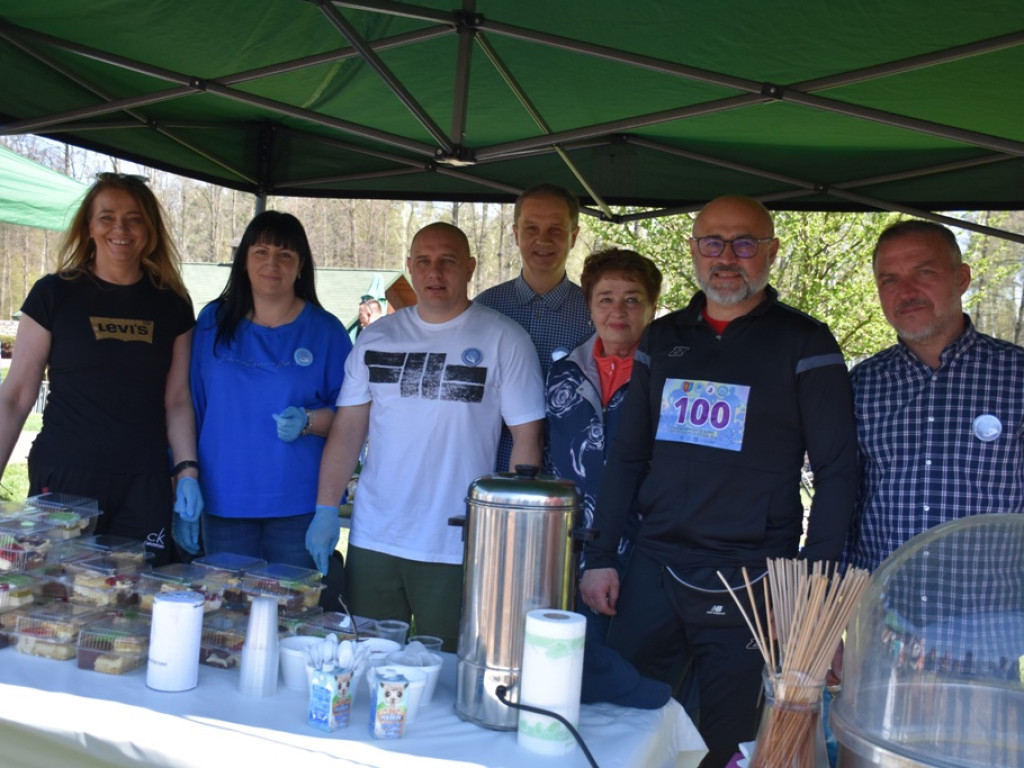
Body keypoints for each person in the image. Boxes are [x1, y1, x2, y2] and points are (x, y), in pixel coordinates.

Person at [579, 195, 859, 768]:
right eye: (713, 242)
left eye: (745, 243)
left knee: (726, 743)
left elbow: (837, 473)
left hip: (751, 580)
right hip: (654, 568)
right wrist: (601, 554)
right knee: (621, 724)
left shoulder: (806, 342)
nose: (727, 257)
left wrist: (811, 591)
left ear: (771, 253)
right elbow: (628, 456)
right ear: (693, 251)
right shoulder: (662, 339)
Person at [315, 222, 544, 651]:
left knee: (448, 673)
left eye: (448, 261)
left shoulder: (504, 338)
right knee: (369, 663)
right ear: (409, 268)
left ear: (470, 268)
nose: (434, 272)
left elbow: (527, 440)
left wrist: (508, 534)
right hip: (375, 537)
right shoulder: (377, 336)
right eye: (423, 261)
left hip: (457, 542)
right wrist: (326, 508)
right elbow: (348, 430)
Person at [0, 172, 201, 566]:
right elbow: (17, 395)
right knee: (59, 601)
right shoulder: (53, 293)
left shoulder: (171, 303)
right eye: (107, 217)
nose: (120, 229)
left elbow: (177, 400)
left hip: (143, 482)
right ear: (89, 226)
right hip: (65, 478)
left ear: (150, 229)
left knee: (134, 604)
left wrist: (187, 472)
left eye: (134, 218)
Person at [846, 219, 1024, 572]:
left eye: (923, 272)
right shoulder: (858, 385)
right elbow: (842, 501)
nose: (906, 291)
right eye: (889, 280)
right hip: (883, 618)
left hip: (996, 617)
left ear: (962, 279)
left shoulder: (1017, 377)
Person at [187, 211, 352, 577]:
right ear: (244, 260)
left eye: (285, 255)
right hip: (222, 501)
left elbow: (353, 419)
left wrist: (310, 421)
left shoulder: (326, 332)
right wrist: (182, 478)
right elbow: (190, 407)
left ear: (300, 266)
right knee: (229, 617)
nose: (272, 264)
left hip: (298, 506)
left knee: (294, 618)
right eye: (261, 252)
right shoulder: (212, 323)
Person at [545, 247, 671, 708]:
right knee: (577, 663)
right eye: (605, 298)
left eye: (633, 299)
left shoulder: (670, 375)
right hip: (571, 544)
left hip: (649, 541)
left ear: (654, 306)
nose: (618, 311)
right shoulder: (563, 373)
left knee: (638, 666)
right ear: (589, 304)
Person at [475, 183, 593, 470]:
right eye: (531, 228)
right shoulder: (483, 308)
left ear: (574, 236)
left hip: (569, 473)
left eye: (555, 229)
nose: (543, 240)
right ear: (515, 234)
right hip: (491, 471)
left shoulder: (596, 313)